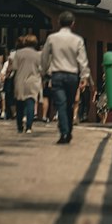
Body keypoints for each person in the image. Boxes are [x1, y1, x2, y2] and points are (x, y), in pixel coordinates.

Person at [40, 12, 90, 144]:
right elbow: (82, 60)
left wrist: (43, 71)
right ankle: (68, 129)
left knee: (61, 103)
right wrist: (84, 76)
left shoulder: (51, 38)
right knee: (69, 104)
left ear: (58, 23)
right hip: (72, 75)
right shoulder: (78, 40)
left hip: (57, 74)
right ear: (72, 24)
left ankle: (65, 132)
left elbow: (45, 58)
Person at [11, 35, 42, 134]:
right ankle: (29, 127)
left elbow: (14, 67)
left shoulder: (18, 53)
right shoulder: (38, 55)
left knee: (19, 104)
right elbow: (41, 69)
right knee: (31, 103)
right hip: (33, 80)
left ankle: (20, 126)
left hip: (20, 79)